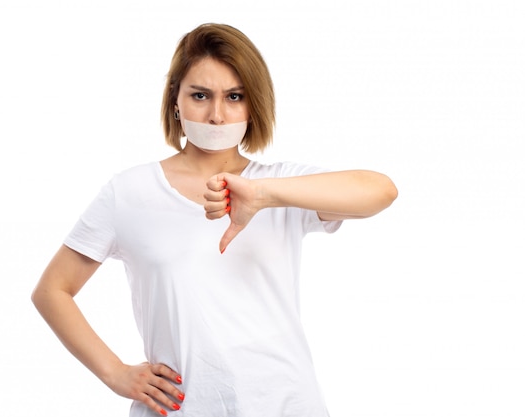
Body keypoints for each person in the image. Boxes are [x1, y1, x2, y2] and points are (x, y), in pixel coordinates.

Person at [32, 23, 398, 417]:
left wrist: (263, 194)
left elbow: (381, 191)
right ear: (176, 101)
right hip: (180, 407)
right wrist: (116, 374)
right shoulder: (130, 192)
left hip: (286, 404)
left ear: (253, 104)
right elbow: (52, 290)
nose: (217, 115)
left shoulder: (282, 186)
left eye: (234, 96)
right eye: (200, 95)